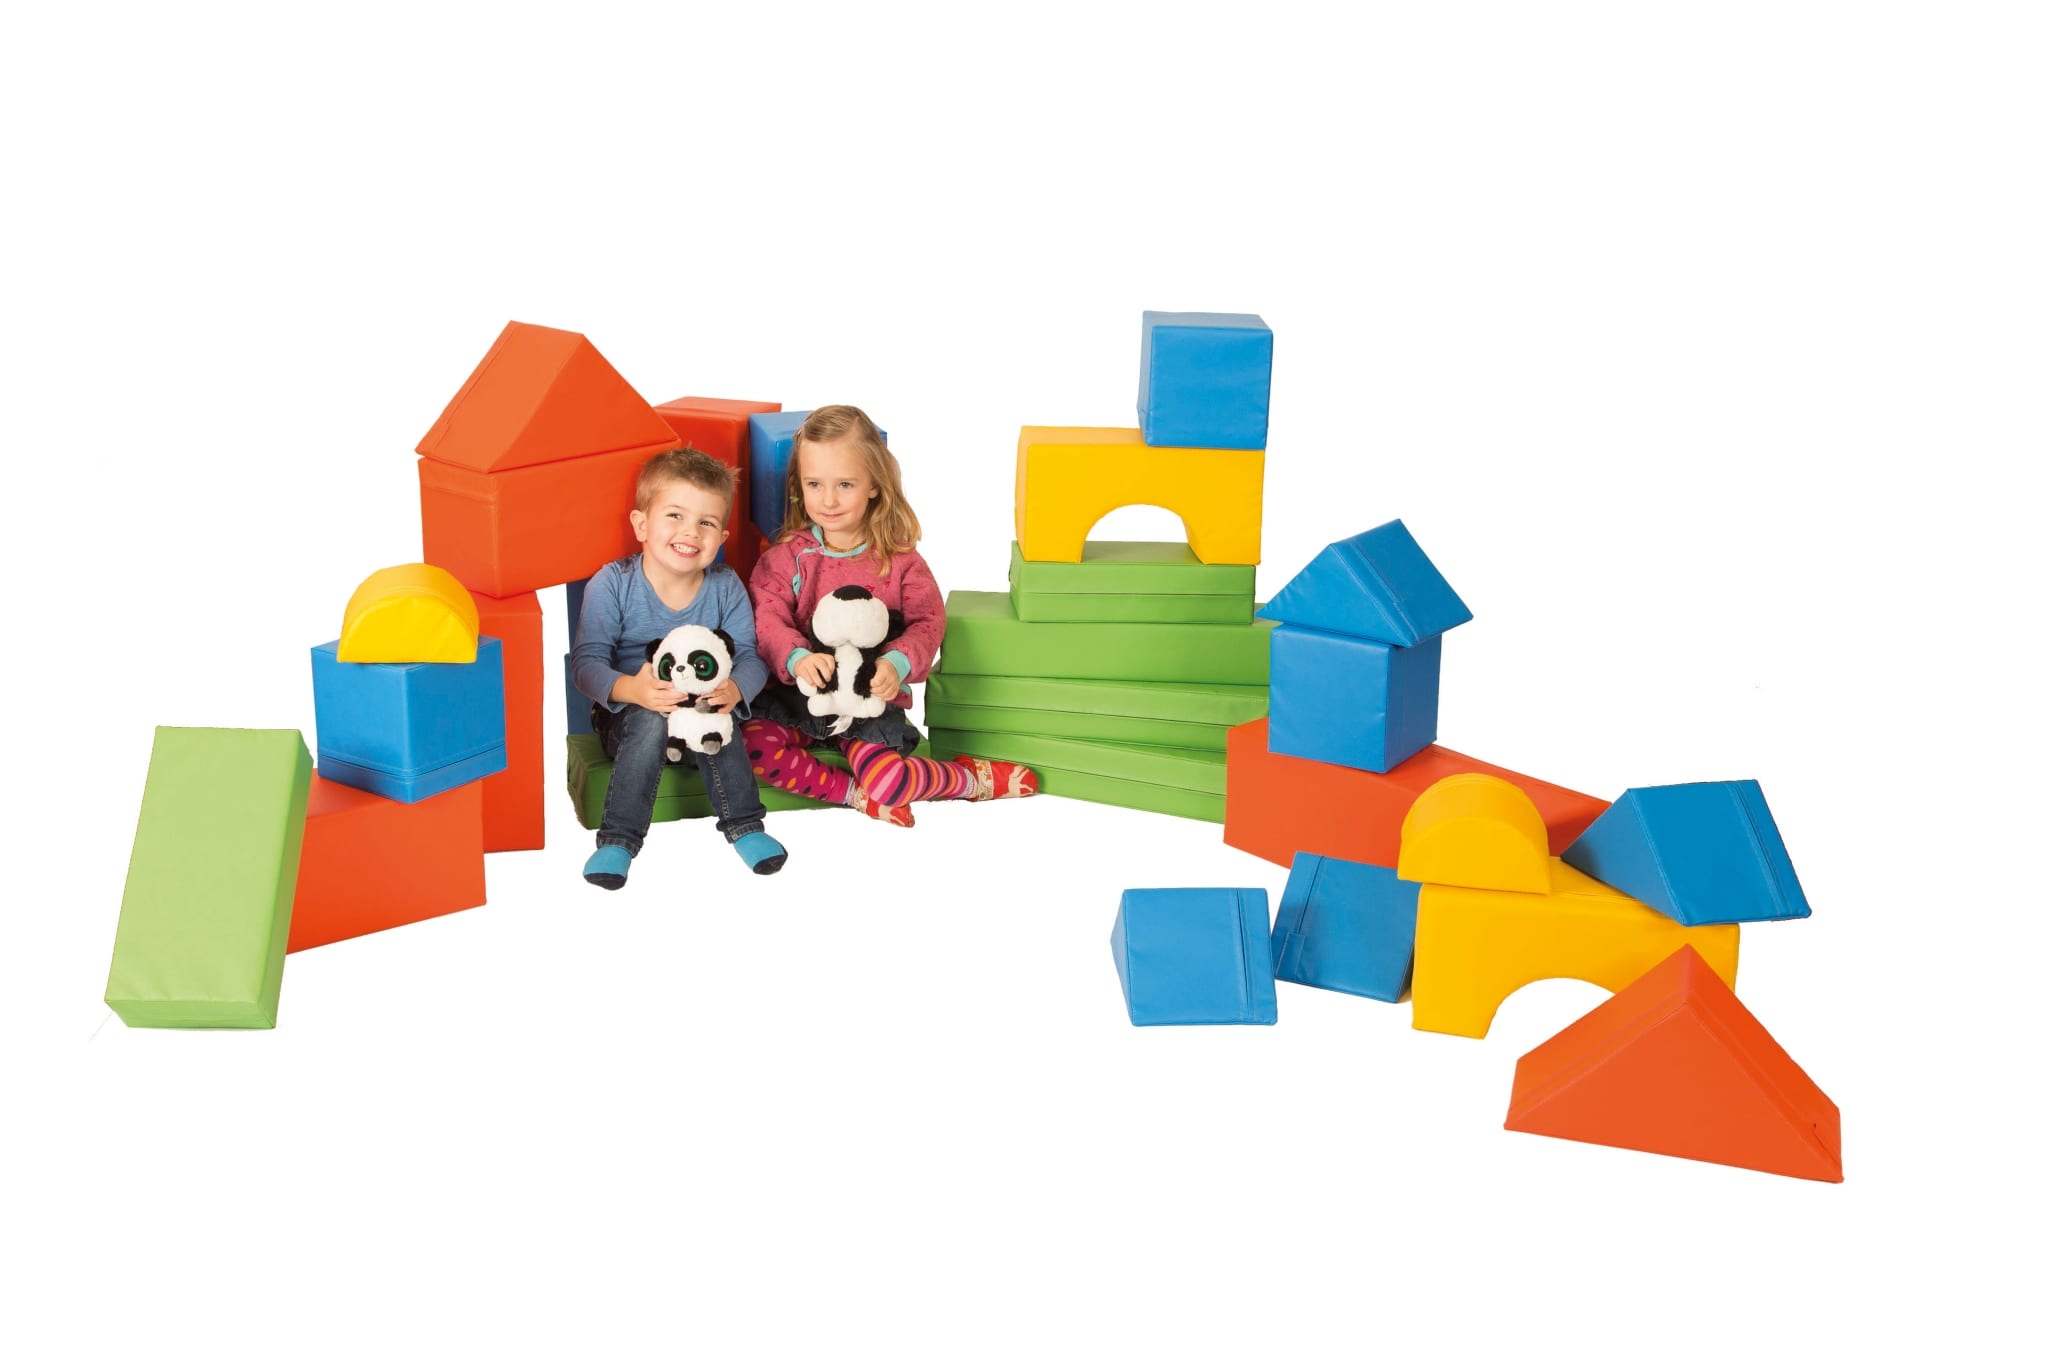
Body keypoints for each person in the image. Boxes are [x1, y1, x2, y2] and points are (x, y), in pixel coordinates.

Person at [743, 404, 1036, 826]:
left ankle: (968, 780)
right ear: (798, 486)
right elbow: (766, 619)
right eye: (814, 484)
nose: (828, 500)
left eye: (845, 484)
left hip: (871, 704)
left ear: (874, 486)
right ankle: (853, 795)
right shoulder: (787, 558)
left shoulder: (900, 561)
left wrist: (895, 664)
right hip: (800, 701)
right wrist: (797, 658)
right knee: (753, 746)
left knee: (890, 784)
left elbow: (928, 622)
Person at [571, 447, 786, 887]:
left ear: (721, 537)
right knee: (649, 720)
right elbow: (586, 664)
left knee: (719, 718)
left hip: (701, 711)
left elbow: (750, 656)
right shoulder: (613, 583)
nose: (690, 532)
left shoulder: (725, 586)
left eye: (706, 522)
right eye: (675, 516)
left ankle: (745, 826)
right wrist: (632, 690)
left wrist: (736, 689)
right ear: (641, 525)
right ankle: (619, 840)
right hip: (630, 711)